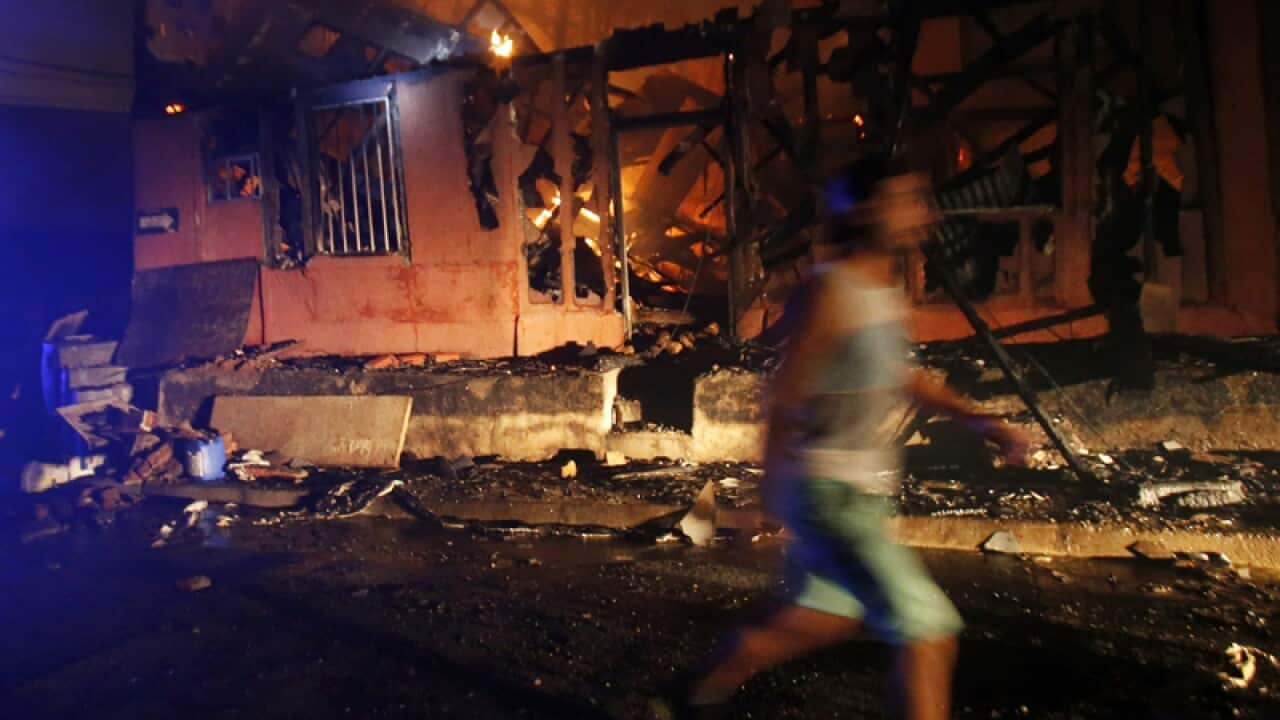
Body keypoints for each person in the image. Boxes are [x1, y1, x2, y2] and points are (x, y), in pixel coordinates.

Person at [656, 158, 1028, 720]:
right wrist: (766, 496)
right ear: (865, 209)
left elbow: (902, 376)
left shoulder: (881, 290)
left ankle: (692, 693)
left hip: (854, 491)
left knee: (825, 612)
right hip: (831, 492)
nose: (922, 214)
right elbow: (784, 397)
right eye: (907, 200)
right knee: (930, 631)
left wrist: (983, 420)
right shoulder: (833, 292)